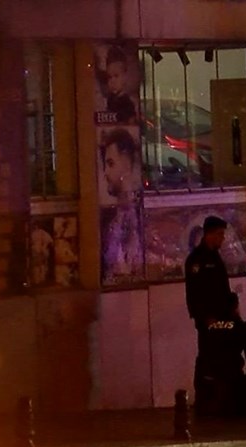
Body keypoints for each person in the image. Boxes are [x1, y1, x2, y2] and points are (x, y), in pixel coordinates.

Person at [186, 216, 234, 413]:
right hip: (208, 319)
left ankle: (222, 398)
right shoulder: (197, 260)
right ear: (209, 234)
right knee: (207, 357)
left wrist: (232, 306)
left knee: (223, 356)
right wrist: (204, 316)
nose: (222, 238)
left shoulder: (216, 257)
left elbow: (223, 288)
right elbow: (195, 292)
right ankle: (204, 399)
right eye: (219, 234)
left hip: (223, 316)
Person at [99, 128, 142, 281]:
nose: (105, 172)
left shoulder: (141, 216)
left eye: (110, 164)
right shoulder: (108, 218)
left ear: (126, 164)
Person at [103, 45, 137, 124]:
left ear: (125, 76)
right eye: (109, 77)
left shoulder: (128, 103)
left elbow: (131, 123)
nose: (112, 81)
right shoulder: (110, 99)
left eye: (116, 76)